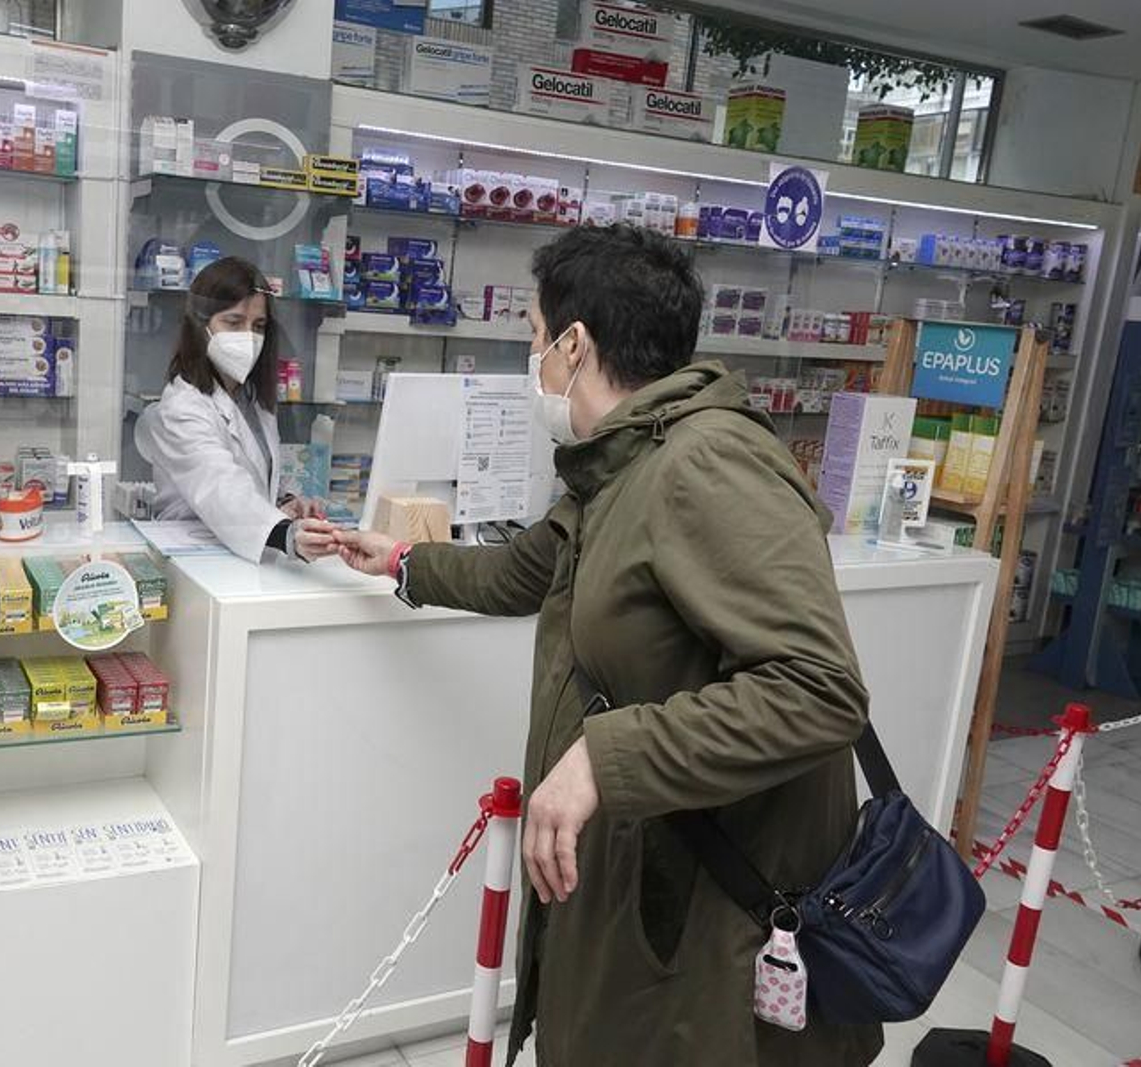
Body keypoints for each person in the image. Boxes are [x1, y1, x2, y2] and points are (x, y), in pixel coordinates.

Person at [336, 224, 881, 1066]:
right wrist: (404, 561)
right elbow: (523, 572)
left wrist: (602, 757)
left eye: (534, 335)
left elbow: (819, 689)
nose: (532, 360)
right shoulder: (623, 462)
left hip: (705, 904)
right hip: (639, 868)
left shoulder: (706, 464)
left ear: (574, 344)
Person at [135, 257, 337, 564]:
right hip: (194, 558)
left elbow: (255, 471)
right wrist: (285, 533)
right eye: (233, 322)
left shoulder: (250, 398)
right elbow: (221, 487)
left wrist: (287, 501)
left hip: (241, 555)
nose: (249, 338)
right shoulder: (182, 407)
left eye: (258, 326)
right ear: (200, 325)